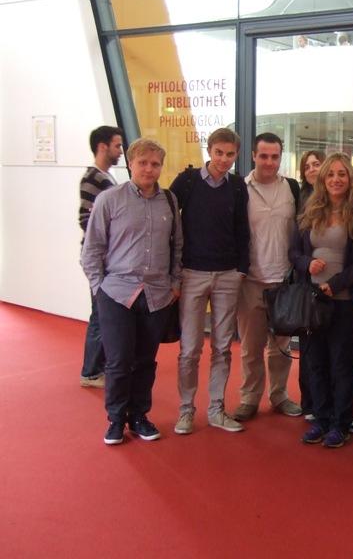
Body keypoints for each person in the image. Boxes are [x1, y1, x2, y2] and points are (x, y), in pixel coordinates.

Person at [81, 138, 182, 445]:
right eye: (143, 163)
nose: (149, 169)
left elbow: (177, 246)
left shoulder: (169, 200)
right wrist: (99, 289)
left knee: (145, 361)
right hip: (116, 293)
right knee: (118, 361)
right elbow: (92, 248)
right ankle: (115, 419)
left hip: (157, 295)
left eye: (155, 164)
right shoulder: (109, 199)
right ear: (130, 164)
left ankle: (139, 416)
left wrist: (175, 283)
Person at [170, 128, 250, 435]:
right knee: (190, 349)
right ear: (209, 150)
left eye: (230, 154)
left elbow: (242, 229)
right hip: (192, 273)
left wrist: (241, 269)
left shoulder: (237, 185)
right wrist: (174, 271)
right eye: (219, 153)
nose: (224, 160)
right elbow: (169, 223)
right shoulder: (188, 181)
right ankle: (186, 410)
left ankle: (217, 409)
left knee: (222, 347)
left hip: (228, 274)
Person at [290, 154, 353, 448]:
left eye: (342, 174)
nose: (336, 179)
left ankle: (340, 424)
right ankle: (321, 419)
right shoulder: (310, 212)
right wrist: (307, 263)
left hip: (344, 301)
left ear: (350, 179)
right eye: (331, 174)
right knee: (315, 362)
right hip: (312, 301)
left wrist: (335, 284)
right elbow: (294, 253)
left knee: (340, 364)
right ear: (322, 179)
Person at [233, 133, 303, 422]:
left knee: (281, 347)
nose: (269, 162)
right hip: (250, 281)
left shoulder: (292, 188)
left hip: (284, 281)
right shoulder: (240, 189)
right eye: (263, 156)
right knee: (250, 348)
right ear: (253, 156)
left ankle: (279, 395)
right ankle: (249, 398)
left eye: (275, 156)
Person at [78, 125, 124, 388]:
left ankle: (99, 367)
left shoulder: (106, 178)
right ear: (103, 146)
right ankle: (91, 372)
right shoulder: (93, 179)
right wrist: (109, 245)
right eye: (117, 145)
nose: (120, 151)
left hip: (109, 259)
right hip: (101, 260)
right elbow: (86, 219)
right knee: (100, 314)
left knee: (104, 314)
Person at [296, 149, 325, 420]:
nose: (313, 169)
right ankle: (309, 404)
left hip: (334, 287)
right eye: (308, 166)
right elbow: (294, 247)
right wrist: (306, 263)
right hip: (307, 284)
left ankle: (329, 404)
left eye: (317, 164)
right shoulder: (300, 200)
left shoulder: (342, 201)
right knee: (308, 348)